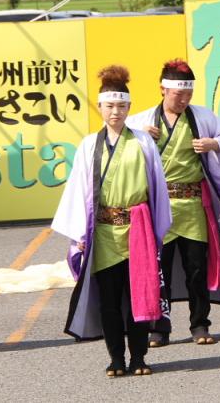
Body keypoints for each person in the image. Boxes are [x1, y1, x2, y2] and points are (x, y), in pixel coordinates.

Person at [128, 59, 220, 348]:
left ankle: (200, 323)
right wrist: (138, 140)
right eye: (178, 95)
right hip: (159, 206)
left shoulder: (201, 117)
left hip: (193, 204)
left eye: (188, 95)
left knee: (196, 267)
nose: (184, 100)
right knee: (157, 267)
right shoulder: (141, 122)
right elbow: (120, 149)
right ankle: (158, 327)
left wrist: (214, 144)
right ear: (163, 89)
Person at [52, 65, 172, 377]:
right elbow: (78, 190)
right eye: (109, 106)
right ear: (100, 107)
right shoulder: (89, 145)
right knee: (109, 299)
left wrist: (157, 230)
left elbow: (157, 189)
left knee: (138, 296)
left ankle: (139, 357)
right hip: (103, 231)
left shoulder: (144, 142)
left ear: (129, 107)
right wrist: (80, 233)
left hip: (137, 229)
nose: (115, 112)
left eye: (121, 106)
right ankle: (116, 357)